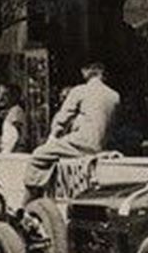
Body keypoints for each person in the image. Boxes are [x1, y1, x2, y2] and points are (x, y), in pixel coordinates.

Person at [24, 63, 121, 200]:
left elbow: (62, 119)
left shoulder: (80, 91)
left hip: (82, 143)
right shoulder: (114, 96)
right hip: (100, 145)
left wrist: (52, 138)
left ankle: (28, 202)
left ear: (85, 72)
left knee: (38, 156)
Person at [0, 83, 29, 152]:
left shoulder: (16, 111)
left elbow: (16, 135)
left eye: (5, 95)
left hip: (14, 150)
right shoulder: (12, 111)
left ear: (13, 96)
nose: (1, 98)